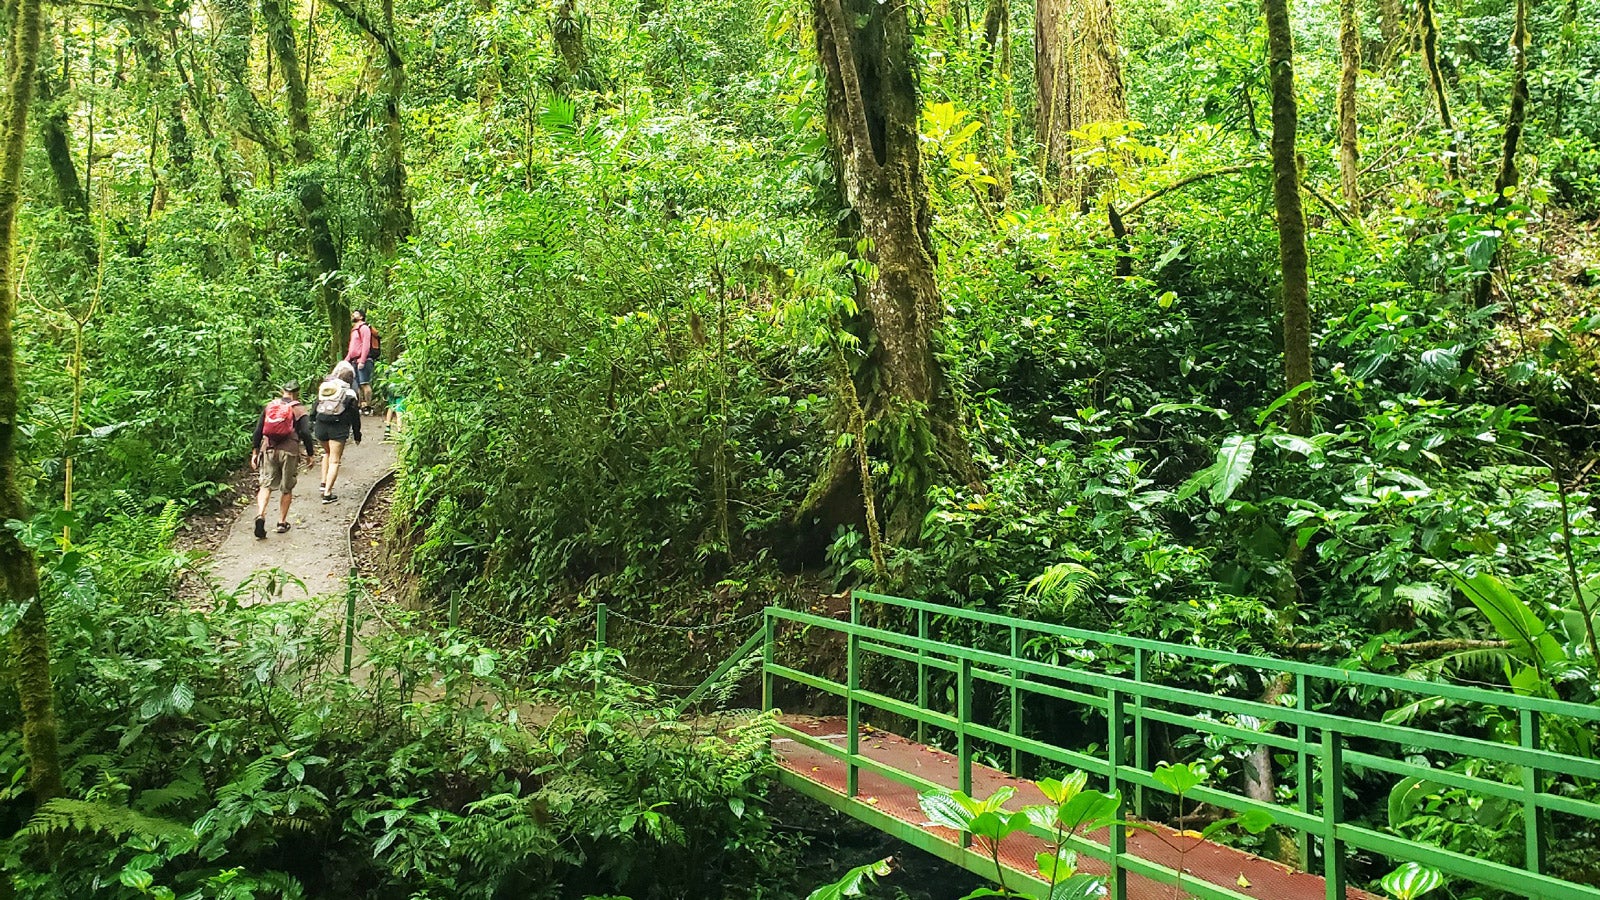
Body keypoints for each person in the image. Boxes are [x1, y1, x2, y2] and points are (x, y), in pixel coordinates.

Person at [250, 381, 315, 538]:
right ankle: (281, 522)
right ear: (297, 392)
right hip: (289, 451)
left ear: (282, 391)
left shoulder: (270, 406)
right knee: (287, 488)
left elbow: (258, 431)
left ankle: (260, 514)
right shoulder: (299, 410)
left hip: (269, 449)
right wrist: (310, 454)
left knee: (265, 485)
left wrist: (255, 452)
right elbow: (306, 433)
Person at [312, 361, 362, 503]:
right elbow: (354, 416)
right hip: (337, 429)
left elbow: (315, 406)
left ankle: (323, 484)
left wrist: (312, 422)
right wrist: (357, 435)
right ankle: (327, 494)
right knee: (335, 460)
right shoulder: (350, 393)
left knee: (326, 454)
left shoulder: (327, 388)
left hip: (321, 426)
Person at [345, 309, 377, 414]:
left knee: (364, 383)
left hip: (364, 360)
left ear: (362, 317)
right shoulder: (354, 329)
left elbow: (366, 344)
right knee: (356, 384)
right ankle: (358, 406)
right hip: (354, 360)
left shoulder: (364, 328)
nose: (353, 315)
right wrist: (346, 361)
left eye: (356, 313)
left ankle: (368, 406)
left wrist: (362, 360)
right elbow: (352, 347)